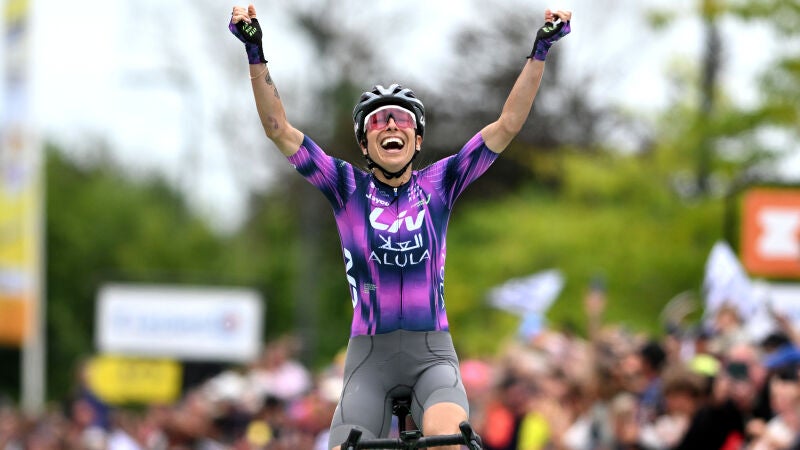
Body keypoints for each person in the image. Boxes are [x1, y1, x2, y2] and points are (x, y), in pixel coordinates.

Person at [228, 5, 572, 449]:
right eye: (378, 120)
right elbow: (279, 129)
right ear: (364, 142)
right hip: (368, 360)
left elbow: (507, 124)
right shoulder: (345, 186)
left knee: (449, 441)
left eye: (403, 119)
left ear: (417, 138)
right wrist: (254, 51)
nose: (391, 124)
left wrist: (540, 50)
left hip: (433, 356)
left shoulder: (441, 182)